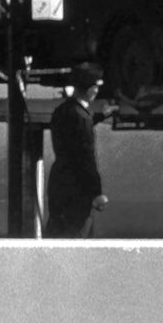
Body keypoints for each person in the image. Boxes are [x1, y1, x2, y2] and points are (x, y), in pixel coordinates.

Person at [42, 61, 108, 238]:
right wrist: (96, 192)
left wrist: (98, 117)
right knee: (76, 237)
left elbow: (72, 135)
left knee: (56, 234)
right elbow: (86, 157)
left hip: (59, 182)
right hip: (78, 188)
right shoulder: (82, 118)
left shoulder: (61, 111)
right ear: (91, 89)